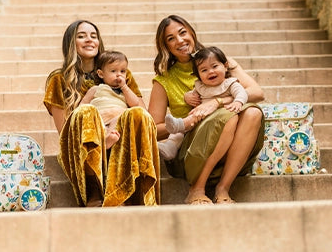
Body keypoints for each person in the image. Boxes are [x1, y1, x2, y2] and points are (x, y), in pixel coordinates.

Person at [148, 15, 265, 205]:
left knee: (252, 112)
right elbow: (152, 129)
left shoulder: (219, 61)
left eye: (182, 32)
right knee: (227, 117)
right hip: (192, 153)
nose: (179, 40)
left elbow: (257, 92)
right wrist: (184, 123)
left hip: (231, 151)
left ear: (191, 33)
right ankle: (196, 189)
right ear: (165, 46)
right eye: (171, 38)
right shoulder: (164, 80)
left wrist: (217, 102)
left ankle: (223, 188)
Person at [44, 20, 160, 207]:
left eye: (93, 36)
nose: (89, 40)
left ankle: (124, 192)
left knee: (137, 114)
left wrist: (122, 91)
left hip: (119, 135)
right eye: (81, 36)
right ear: (71, 43)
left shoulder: (118, 72)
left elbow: (143, 113)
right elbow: (64, 131)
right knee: (86, 111)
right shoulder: (59, 79)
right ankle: (95, 191)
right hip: (83, 143)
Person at [160, 46, 248, 160]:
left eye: (215, 66)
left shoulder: (230, 84)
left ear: (225, 66)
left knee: (186, 123)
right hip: (200, 119)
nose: (210, 71)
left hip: (218, 117)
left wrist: (238, 102)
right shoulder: (201, 86)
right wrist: (187, 97)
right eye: (204, 70)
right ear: (198, 75)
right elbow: (191, 94)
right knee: (180, 132)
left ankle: (180, 124)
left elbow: (242, 93)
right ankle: (170, 147)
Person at [81, 50, 146, 149]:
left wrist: (124, 87)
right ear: (101, 74)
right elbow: (83, 104)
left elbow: (135, 104)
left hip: (117, 119)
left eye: (122, 71)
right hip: (100, 117)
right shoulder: (96, 89)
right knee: (97, 125)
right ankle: (104, 136)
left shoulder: (125, 92)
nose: (118, 75)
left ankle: (109, 138)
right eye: (113, 71)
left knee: (120, 118)